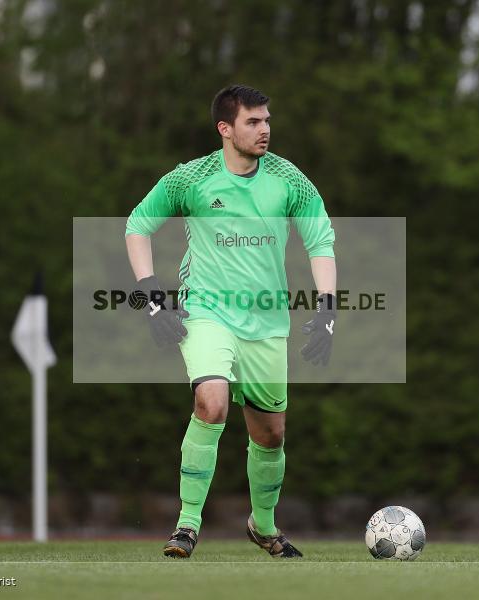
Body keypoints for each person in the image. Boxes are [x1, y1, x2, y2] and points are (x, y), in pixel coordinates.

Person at [125, 84, 336, 559]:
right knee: (212, 402)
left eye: (266, 121)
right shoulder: (191, 178)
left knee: (271, 434)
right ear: (226, 128)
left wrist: (327, 309)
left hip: (266, 321)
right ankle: (186, 525)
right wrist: (151, 294)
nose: (264, 130)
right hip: (206, 310)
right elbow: (137, 225)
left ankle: (263, 527)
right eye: (252, 122)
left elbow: (320, 241)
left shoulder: (289, 180)